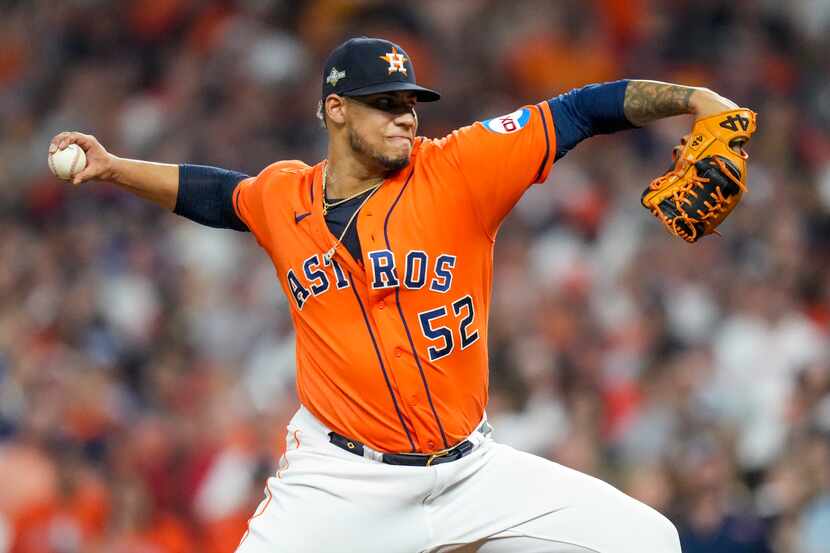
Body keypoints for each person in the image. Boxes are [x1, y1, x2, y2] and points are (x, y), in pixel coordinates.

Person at [50, 36, 744, 553]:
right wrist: (114, 170)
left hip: (472, 470)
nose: (405, 117)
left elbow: (583, 109)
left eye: (410, 102)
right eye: (385, 104)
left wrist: (692, 99)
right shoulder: (282, 196)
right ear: (335, 111)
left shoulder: (459, 170)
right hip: (342, 481)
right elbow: (216, 194)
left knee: (647, 540)